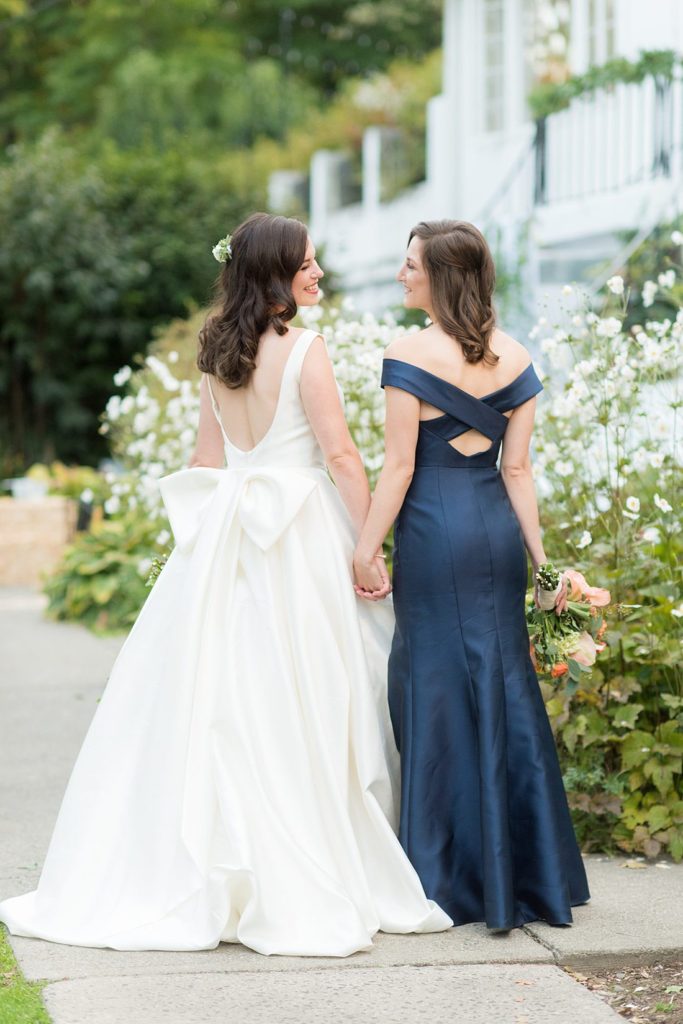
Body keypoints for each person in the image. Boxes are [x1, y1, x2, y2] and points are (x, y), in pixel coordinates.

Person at [0, 213, 451, 956]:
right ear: (276, 274)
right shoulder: (307, 349)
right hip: (301, 537)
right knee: (308, 692)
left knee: (218, 697)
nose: (317, 275)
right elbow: (339, 456)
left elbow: (207, 462)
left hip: (226, 538)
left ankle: (214, 871)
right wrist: (369, 547)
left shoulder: (217, 353)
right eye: (307, 265)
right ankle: (299, 869)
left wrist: (196, 552)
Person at [352, 220, 590, 931]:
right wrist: (543, 564)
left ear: (438, 275)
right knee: (504, 684)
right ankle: (529, 875)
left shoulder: (407, 352)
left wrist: (365, 549)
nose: (401, 276)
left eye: (408, 266)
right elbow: (515, 469)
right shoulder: (514, 355)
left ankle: (444, 874)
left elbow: (398, 468)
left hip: (432, 530)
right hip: (493, 531)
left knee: (431, 684)